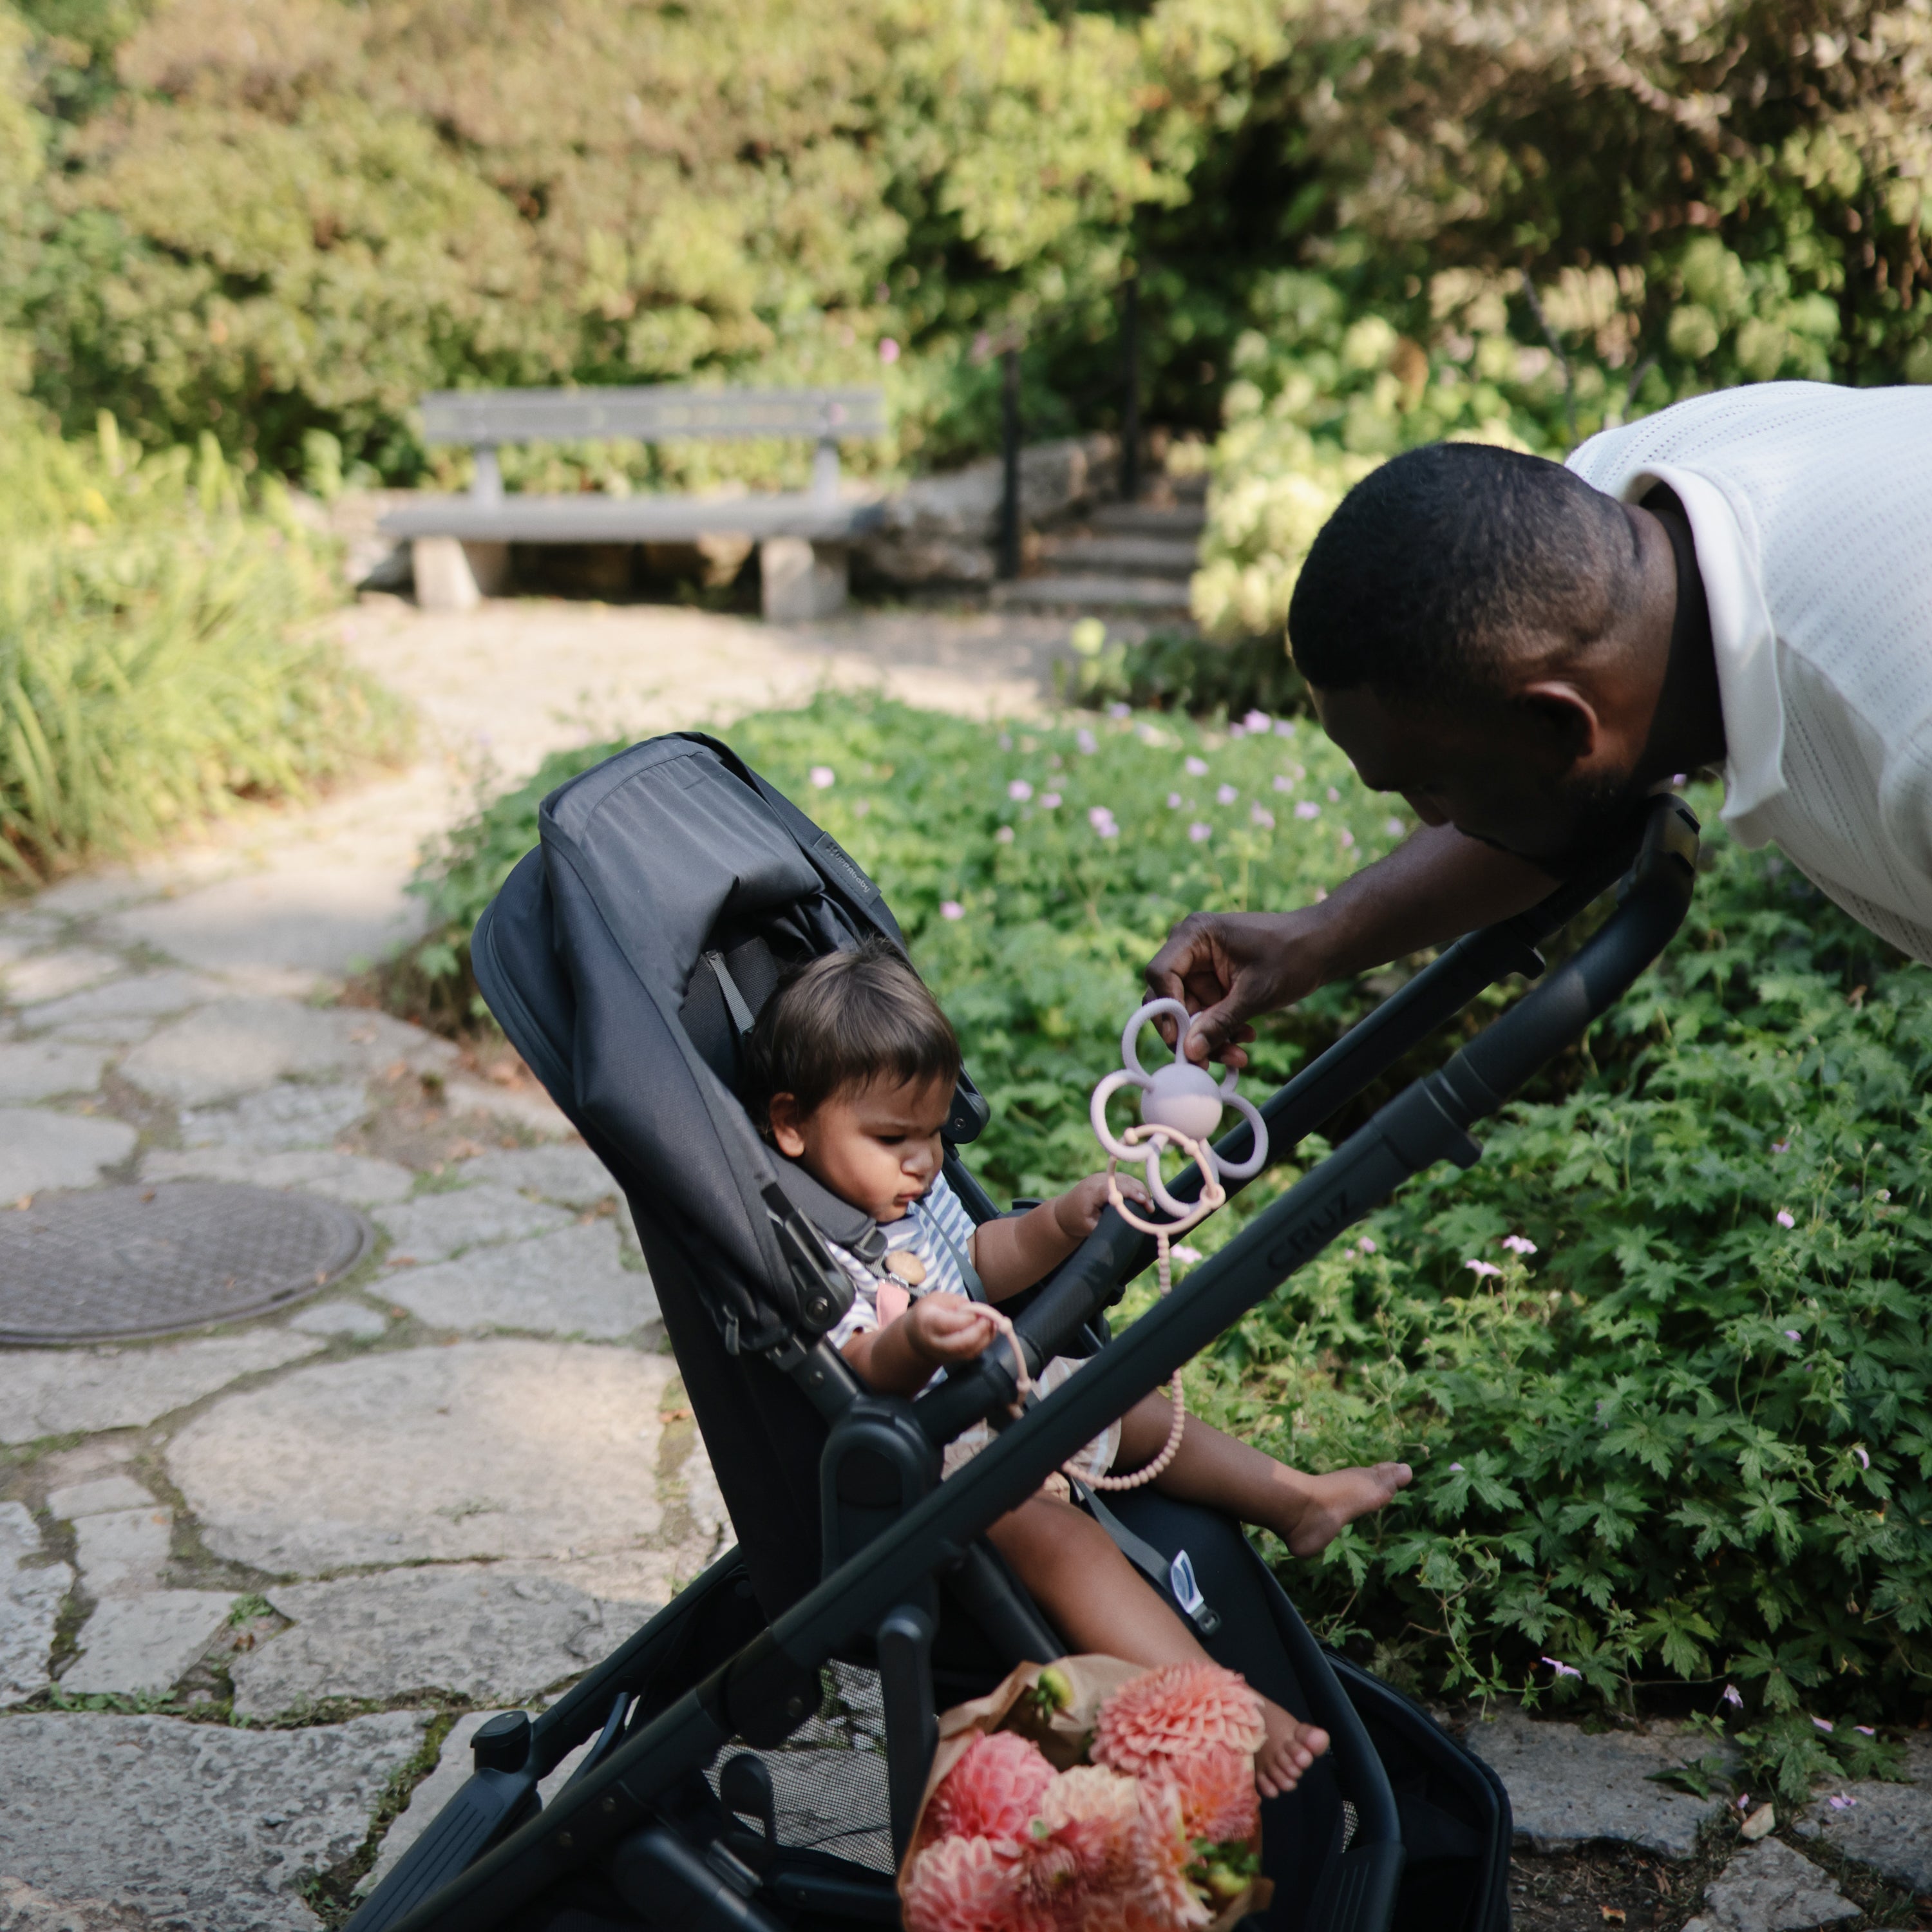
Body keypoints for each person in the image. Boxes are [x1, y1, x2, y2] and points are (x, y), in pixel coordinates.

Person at [742, 938, 1413, 1798]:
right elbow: (866, 1368)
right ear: (793, 1123)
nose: (922, 1160)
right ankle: (1230, 1712)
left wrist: (1062, 1220)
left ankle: (1295, 1500)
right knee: (1063, 1542)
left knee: (1125, 1397)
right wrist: (917, 1341)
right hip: (932, 1469)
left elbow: (983, 1255)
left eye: (933, 1134)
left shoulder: (907, 1186)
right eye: (892, 1137)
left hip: (996, 1405)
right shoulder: (812, 1242)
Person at [1146, 380, 1932, 1065]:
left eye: (1433, 785)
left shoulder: (1910, 734)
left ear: (1562, 724)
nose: (1429, 819)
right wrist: (1320, 937)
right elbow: (1553, 803)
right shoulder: (1604, 508)